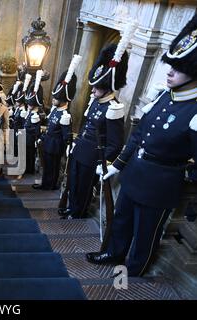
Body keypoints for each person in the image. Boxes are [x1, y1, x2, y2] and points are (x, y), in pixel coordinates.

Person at [86, 15, 197, 277]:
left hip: (160, 183)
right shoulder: (163, 96)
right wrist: (117, 166)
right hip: (135, 172)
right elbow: (137, 138)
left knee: (146, 231)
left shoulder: (194, 111)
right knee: (122, 220)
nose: (170, 72)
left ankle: (135, 269)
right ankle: (113, 252)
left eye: (178, 69)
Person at [62, 23, 136, 219]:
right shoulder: (96, 102)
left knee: (84, 188)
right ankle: (71, 206)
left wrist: (102, 162)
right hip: (81, 150)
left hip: (93, 156)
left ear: (108, 86)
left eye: (97, 87)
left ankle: (78, 211)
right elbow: (86, 126)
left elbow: (115, 143)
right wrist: (76, 144)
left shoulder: (114, 108)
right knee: (73, 182)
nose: (92, 90)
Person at [32, 55, 81, 190]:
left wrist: (67, 146)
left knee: (53, 167)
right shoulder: (55, 110)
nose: (53, 100)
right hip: (48, 142)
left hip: (56, 145)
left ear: (64, 99)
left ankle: (50, 185)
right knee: (46, 166)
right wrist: (42, 138)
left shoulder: (65, 115)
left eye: (56, 98)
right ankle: (45, 182)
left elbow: (66, 135)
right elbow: (49, 127)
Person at [23, 71, 44, 175]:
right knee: (26, 155)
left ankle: (29, 170)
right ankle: (26, 168)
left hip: (30, 139)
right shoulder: (30, 113)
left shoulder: (35, 115)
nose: (29, 105)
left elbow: (36, 130)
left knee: (30, 155)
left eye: (30, 104)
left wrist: (36, 139)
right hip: (26, 138)